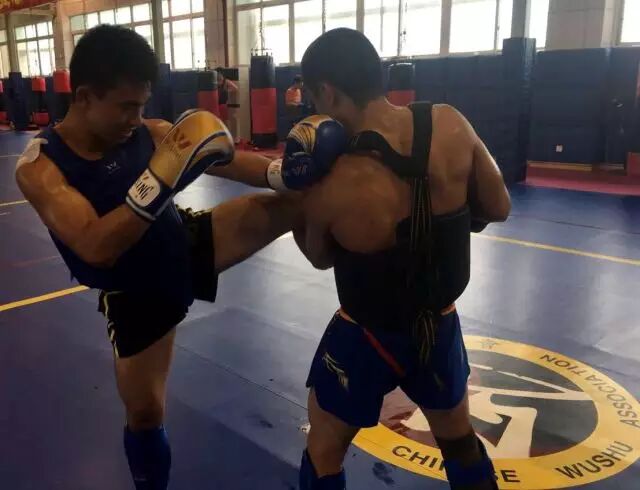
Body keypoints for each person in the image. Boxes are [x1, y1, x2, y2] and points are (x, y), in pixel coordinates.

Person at [15, 25, 345, 490]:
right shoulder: (41, 167)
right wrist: (162, 177)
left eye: (141, 105)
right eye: (125, 107)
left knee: (296, 200)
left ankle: (365, 298)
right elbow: (94, 245)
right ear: (85, 97)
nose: (136, 118)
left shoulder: (149, 132)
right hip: (134, 291)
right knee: (145, 413)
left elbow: (228, 160)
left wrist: (284, 172)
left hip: (182, 243)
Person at [294, 29, 511, 490]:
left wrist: (300, 192)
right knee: (458, 441)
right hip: (438, 326)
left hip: (367, 335)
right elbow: (498, 207)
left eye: (313, 98)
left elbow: (318, 257)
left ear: (327, 92)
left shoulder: (334, 183)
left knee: (324, 448)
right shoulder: (450, 123)